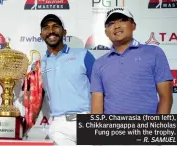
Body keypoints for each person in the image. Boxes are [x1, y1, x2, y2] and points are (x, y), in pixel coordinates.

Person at [27, 14, 95, 145]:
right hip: (59, 126)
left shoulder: (83, 55)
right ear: (41, 35)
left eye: (55, 26)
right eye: (46, 28)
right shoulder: (37, 65)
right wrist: (25, 126)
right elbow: (36, 99)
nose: (51, 31)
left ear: (64, 32)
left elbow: (99, 89)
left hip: (87, 119)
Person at [90, 8, 173, 114]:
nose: (117, 26)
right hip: (111, 128)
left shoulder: (154, 53)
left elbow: (166, 98)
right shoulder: (99, 63)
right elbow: (97, 108)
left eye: (122, 20)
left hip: (147, 127)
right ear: (106, 32)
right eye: (111, 23)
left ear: (133, 25)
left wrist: (158, 128)